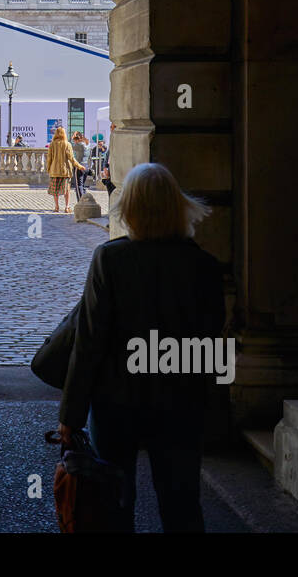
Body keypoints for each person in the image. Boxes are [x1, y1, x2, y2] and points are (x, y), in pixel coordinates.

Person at [57, 163, 222, 532]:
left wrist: (71, 414)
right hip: (180, 402)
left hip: (117, 401)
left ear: (129, 207)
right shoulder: (205, 266)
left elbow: (89, 343)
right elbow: (212, 342)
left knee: (113, 502)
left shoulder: (111, 259)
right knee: (181, 505)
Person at [46, 125, 86, 214]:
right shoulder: (67, 144)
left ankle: (56, 207)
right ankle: (67, 207)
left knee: (55, 190)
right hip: (65, 171)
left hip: (54, 170)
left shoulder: (52, 144)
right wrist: (79, 166)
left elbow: (49, 158)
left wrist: (48, 168)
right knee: (66, 190)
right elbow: (71, 158)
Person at [71, 132, 90, 199]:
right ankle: (84, 200)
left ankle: (80, 201)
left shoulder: (79, 145)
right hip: (86, 165)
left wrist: (73, 136)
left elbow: (70, 146)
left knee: (79, 185)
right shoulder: (87, 145)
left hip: (79, 166)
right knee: (83, 185)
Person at [101, 123, 117, 196]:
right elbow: (108, 154)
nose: (112, 129)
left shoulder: (121, 139)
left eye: (114, 127)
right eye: (111, 127)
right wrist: (105, 167)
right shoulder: (112, 138)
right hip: (110, 170)